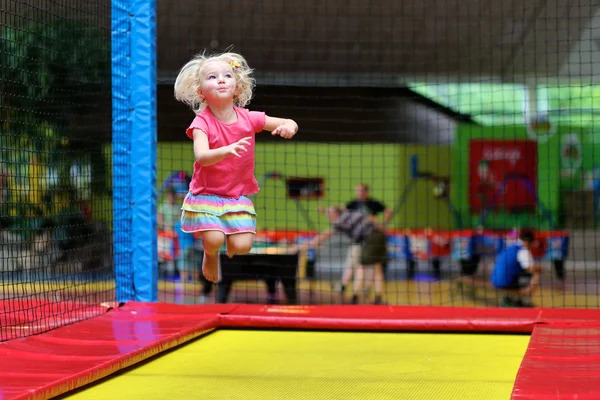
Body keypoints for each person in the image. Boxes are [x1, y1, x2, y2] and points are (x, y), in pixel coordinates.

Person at [173, 51, 298, 283]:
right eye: (212, 77)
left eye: (226, 75)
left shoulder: (249, 118)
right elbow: (201, 156)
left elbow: (286, 121)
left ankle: (230, 242)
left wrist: (289, 126)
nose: (220, 80)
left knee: (242, 247)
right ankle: (210, 255)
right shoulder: (202, 122)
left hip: (235, 196)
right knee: (214, 240)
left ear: (236, 87)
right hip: (206, 194)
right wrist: (225, 150)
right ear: (201, 91)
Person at [299, 206, 387, 305]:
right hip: (380, 235)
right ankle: (377, 297)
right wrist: (323, 210)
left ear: (335, 214)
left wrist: (311, 243)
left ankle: (356, 295)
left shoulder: (340, 220)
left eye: (329, 214)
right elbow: (340, 208)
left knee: (361, 266)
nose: (328, 217)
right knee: (377, 267)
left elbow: (327, 234)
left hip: (370, 238)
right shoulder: (349, 213)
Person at [334, 183, 393, 294]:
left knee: (372, 267)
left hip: (371, 239)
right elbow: (342, 211)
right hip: (358, 239)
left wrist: (382, 224)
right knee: (353, 263)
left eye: (361, 191)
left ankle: (366, 289)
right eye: (357, 191)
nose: (359, 193)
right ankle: (346, 286)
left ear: (366, 192)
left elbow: (388, 211)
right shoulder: (353, 204)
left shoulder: (373, 204)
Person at [489, 228, 542, 307]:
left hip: (494, 281)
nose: (532, 246)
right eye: (531, 243)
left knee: (523, 272)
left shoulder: (510, 247)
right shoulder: (523, 250)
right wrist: (540, 269)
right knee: (535, 274)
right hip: (506, 283)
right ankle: (522, 300)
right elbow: (531, 268)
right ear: (528, 242)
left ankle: (513, 299)